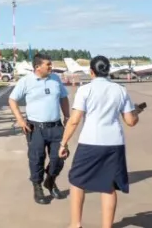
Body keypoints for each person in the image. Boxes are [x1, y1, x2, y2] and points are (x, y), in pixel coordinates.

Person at [59, 56, 141, 228]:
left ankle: (75, 224)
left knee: (77, 181)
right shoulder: (120, 90)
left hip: (90, 141)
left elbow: (74, 120)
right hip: (114, 143)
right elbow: (131, 121)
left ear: (91, 71)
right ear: (108, 70)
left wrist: (63, 143)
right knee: (109, 185)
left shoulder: (85, 90)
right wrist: (137, 113)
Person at [8, 53, 70, 205]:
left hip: (56, 127)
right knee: (37, 159)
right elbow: (12, 99)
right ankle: (37, 187)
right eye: (48, 64)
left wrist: (67, 116)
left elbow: (63, 97)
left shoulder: (55, 79)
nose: (51, 67)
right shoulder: (26, 81)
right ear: (37, 67)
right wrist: (20, 119)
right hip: (35, 128)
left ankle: (50, 180)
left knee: (59, 157)